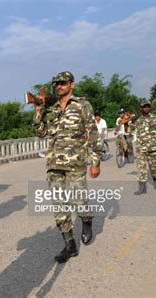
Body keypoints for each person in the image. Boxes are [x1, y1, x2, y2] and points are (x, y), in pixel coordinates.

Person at [33, 71, 102, 263]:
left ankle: (86, 220)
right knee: (59, 205)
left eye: (62, 83)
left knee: (79, 201)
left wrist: (95, 161)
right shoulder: (52, 108)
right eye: (56, 84)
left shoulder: (82, 105)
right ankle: (69, 244)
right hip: (54, 165)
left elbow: (93, 135)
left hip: (75, 164)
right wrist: (38, 110)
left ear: (72, 84)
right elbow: (41, 132)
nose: (58, 86)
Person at [129, 101, 156, 195]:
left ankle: (155, 180)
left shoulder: (155, 118)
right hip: (140, 148)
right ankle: (142, 187)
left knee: (154, 167)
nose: (146, 108)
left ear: (150, 108)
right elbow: (129, 129)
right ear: (141, 108)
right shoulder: (137, 119)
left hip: (153, 147)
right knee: (141, 168)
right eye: (144, 107)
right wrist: (133, 119)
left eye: (148, 107)